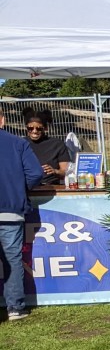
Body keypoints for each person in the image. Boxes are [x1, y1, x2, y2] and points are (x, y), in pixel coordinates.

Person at [1, 113, 44, 321]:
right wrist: (19, 187)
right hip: (10, 210)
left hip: (10, 209)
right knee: (13, 259)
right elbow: (35, 173)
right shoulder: (18, 143)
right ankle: (15, 308)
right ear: (2, 120)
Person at [22, 108, 72, 186]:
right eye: (30, 128)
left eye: (39, 128)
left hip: (51, 186)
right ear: (26, 128)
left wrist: (55, 171)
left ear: (45, 128)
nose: (34, 131)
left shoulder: (57, 144)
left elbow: (66, 171)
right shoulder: (21, 143)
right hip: (26, 186)